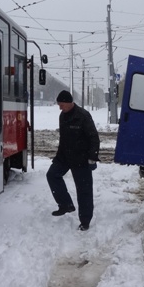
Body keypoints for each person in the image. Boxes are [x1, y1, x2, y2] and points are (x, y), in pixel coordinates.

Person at [46, 90, 100, 231]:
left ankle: (85, 220)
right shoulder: (62, 116)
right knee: (52, 175)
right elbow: (63, 139)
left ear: (69, 103)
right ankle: (65, 205)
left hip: (81, 159)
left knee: (84, 190)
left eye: (62, 105)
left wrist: (92, 157)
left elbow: (93, 137)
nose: (60, 108)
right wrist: (58, 156)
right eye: (59, 105)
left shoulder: (83, 116)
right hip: (64, 156)